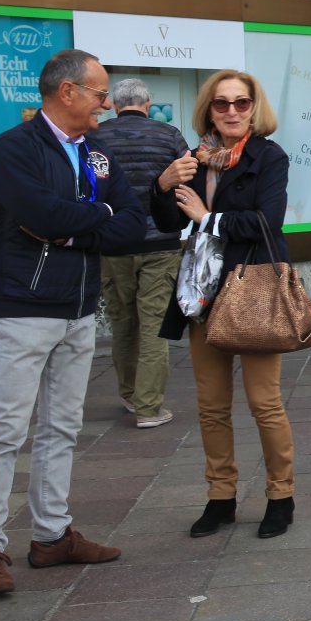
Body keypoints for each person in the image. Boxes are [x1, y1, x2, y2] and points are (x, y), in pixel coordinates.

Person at [0, 49, 144, 597]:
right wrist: (95, 220)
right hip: (25, 306)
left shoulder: (96, 152)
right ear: (67, 92)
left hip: (79, 307)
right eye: (99, 93)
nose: (106, 104)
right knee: (7, 428)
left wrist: (75, 228)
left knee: (63, 427)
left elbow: (132, 223)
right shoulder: (15, 147)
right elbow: (39, 214)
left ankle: (51, 536)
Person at [153, 71, 297, 540]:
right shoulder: (195, 159)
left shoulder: (268, 156)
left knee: (264, 403)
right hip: (203, 293)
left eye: (241, 102)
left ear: (254, 108)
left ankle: (281, 497)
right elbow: (167, 220)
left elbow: (268, 222)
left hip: (251, 289)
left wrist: (207, 218)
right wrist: (162, 186)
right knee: (211, 406)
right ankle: (220, 498)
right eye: (221, 103)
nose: (232, 111)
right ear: (209, 110)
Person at [88, 78, 191, 429]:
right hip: (160, 243)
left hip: (113, 244)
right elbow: (187, 180)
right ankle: (149, 408)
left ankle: (130, 395)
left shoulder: (97, 138)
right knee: (153, 326)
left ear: (116, 105)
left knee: (123, 324)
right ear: (147, 104)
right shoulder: (169, 135)